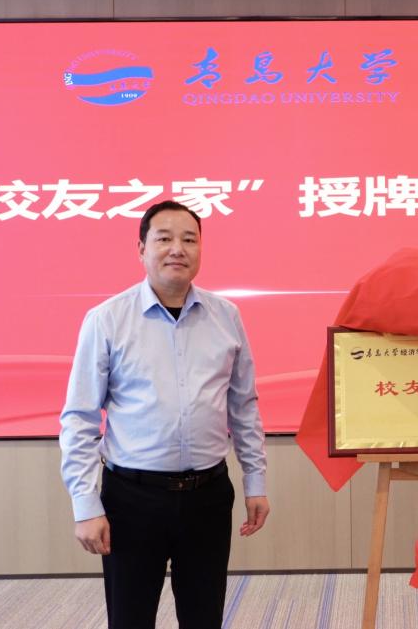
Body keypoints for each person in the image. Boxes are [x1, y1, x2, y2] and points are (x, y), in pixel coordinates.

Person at [60, 200, 269, 629]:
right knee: (130, 619)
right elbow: (80, 418)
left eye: (189, 239)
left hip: (208, 495)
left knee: (204, 617)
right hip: (132, 499)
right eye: (164, 239)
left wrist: (255, 481)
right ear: (141, 249)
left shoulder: (226, 316)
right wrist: (85, 503)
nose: (178, 249)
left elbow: (243, 406)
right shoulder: (107, 319)